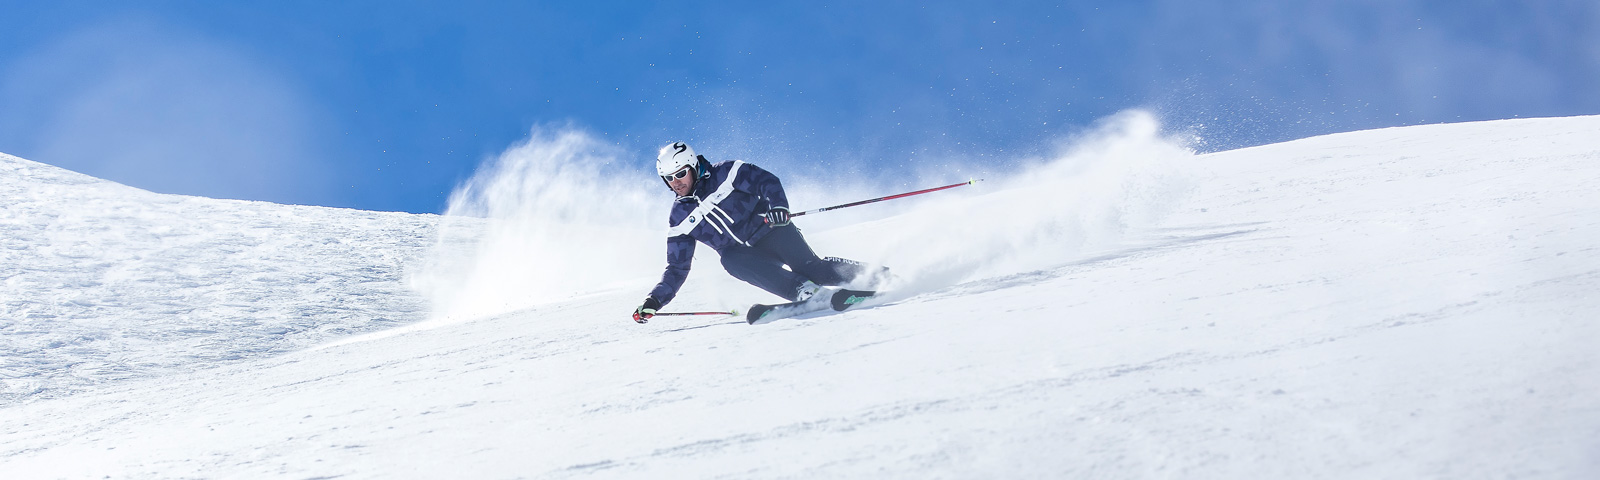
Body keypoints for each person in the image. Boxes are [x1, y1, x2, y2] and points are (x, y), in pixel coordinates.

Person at [632, 141, 884, 323]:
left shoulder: (725, 173)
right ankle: (803, 292)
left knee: (811, 269)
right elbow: (676, 267)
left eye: (680, 174)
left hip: (772, 230)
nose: (676, 182)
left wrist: (778, 207)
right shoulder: (679, 218)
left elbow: (766, 181)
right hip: (746, 256)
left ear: (692, 166)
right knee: (730, 259)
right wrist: (654, 300)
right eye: (668, 178)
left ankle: (875, 276)